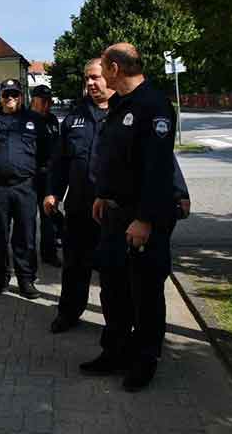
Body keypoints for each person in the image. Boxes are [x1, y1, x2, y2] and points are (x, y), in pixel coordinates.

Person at [84, 42, 177, 392]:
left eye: (103, 67)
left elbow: (157, 168)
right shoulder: (120, 104)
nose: (100, 75)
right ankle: (115, 351)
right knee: (113, 288)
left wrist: (145, 219)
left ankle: (144, 361)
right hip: (114, 212)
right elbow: (113, 158)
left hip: (141, 218)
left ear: (114, 68)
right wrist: (102, 195)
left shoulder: (153, 105)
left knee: (145, 293)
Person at [44, 59, 110, 333]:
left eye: (95, 77)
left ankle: (116, 324)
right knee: (74, 265)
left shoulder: (126, 114)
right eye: (87, 78)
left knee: (112, 270)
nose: (90, 83)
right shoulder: (75, 116)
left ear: (111, 76)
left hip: (113, 210)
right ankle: (69, 313)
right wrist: (53, 193)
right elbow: (60, 161)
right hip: (79, 207)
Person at [0, 79, 51, 300]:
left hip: (26, 188)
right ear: (0, 97)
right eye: (6, 94)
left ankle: (26, 280)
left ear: (21, 96)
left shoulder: (34, 120)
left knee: (25, 237)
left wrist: (48, 188)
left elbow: (48, 155)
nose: (10, 98)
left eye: (14, 94)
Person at [30, 84, 62, 267]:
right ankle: (27, 254)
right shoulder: (25, 119)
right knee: (27, 218)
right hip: (29, 176)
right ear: (34, 100)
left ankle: (49, 253)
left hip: (48, 175)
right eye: (43, 101)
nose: (47, 105)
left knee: (48, 215)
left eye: (49, 101)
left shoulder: (52, 120)